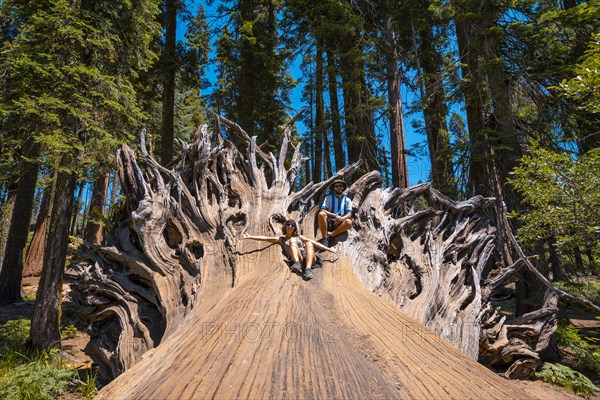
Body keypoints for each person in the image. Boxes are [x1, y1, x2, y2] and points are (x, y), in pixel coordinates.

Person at [241, 219, 336, 281]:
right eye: (288, 224)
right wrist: (249, 237)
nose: (290, 226)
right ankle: (297, 264)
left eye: (292, 225)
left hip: (309, 259)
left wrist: (329, 249)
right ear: (285, 227)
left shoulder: (299, 236)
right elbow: (265, 238)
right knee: (292, 240)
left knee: (309, 243)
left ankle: (307, 270)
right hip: (297, 259)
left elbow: (315, 243)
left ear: (294, 228)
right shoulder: (281, 239)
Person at [318, 179, 353, 247]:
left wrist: (340, 218)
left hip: (340, 223)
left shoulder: (348, 200)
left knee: (349, 222)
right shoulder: (329, 198)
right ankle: (324, 238)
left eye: (340, 186)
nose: (338, 187)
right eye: (336, 186)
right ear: (334, 188)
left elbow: (349, 214)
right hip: (330, 222)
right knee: (321, 214)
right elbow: (322, 210)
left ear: (343, 187)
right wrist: (334, 216)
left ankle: (330, 236)